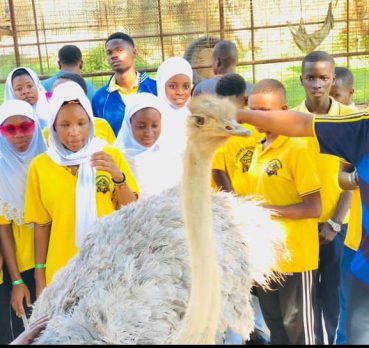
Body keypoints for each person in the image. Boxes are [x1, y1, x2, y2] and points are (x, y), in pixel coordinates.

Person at [237, 99, 369, 345]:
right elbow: (305, 123)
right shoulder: (362, 128)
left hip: (302, 256)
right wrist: (237, 113)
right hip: (363, 272)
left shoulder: (297, 150)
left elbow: (313, 204)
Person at [24, 82, 139, 297]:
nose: (74, 132)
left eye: (81, 122)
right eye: (65, 124)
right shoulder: (41, 166)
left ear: (91, 123)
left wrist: (118, 177)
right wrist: (40, 277)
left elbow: (132, 209)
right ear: (54, 127)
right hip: (62, 271)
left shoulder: (109, 156)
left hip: (108, 264)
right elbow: (42, 226)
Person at [245, 79, 321, 345]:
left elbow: (314, 207)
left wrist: (266, 211)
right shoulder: (258, 147)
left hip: (295, 260)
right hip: (268, 262)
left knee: (300, 333)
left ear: (285, 110)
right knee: (277, 331)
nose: (257, 117)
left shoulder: (297, 148)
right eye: (252, 110)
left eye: (265, 111)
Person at [293, 50, 356, 345]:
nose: (317, 84)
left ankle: (333, 339)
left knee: (334, 295)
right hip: (301, 224)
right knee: (304, 299)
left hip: (336, 223)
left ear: (332, 79)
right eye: (310, 78)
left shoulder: (349, 119)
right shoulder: (292, 120)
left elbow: (354, 177)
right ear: (301, 79)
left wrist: (334, 222)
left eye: (323, 78)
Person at [0, 100, 47, 340]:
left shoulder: (51, 159)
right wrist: (17, 281)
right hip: (22, 265)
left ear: (36, 126)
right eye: (9, 129)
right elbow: (4, 230)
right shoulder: (1, 168)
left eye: (25, 127)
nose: (18, 135)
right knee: (30, 332)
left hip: (58, 258)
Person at [329, 69, 360, 344]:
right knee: (350, 308)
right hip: (358, 240)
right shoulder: (358, 128)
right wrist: (356, 178)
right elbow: (343, 178)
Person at [115, 93, 182, 199]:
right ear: (129, 124)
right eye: (141, 126)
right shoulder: (119, 157)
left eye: (155, 125)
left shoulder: (170, 152)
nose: (149, 132)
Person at [92, 32, 157, 136]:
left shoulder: (155, 89)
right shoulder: (100, 99)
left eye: (120, 50)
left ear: (134, 52)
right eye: (109, 53)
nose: (114, 56)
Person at [211, 73, 260, 194]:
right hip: (234, 202)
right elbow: (217, 172)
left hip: (260, 198)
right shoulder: (216, 132)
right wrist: (235, 204)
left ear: (245, 100)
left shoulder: (258, 127)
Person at [43, 78, 116, 145]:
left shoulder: (102, 125)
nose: (74, 133)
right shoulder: (47, 133)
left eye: (81, 124)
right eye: (64, 125)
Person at [156, 56, 193, 158]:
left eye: (186, 86)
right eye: (172, 86)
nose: (180, 92)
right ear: (161, 85)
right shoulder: (154, 115)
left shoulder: (195, 114)